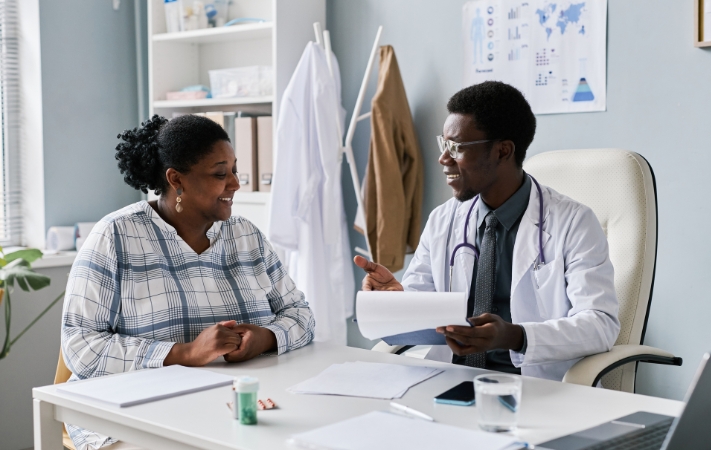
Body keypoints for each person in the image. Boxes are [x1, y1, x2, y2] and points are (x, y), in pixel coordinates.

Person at [61, 115, 314, 450]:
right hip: (133, 414)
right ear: (176, 179)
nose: (236, 183)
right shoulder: (116, 236)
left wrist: (264, 338)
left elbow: (301, 315)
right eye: (221, 174)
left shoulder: (245, 235)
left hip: (228, 403)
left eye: (235, 170)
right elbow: (81, 346)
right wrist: (184, 353)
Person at [354, 81, 619, 382]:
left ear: (503, 151)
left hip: (534, 386)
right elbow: (424, 307)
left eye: (457, 148)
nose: (444, 159)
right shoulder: (443, 220)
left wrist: (514, 336)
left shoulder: (574, 223)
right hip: (452, 379)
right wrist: (398, 300)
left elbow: (600, 324)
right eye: (444, 144)